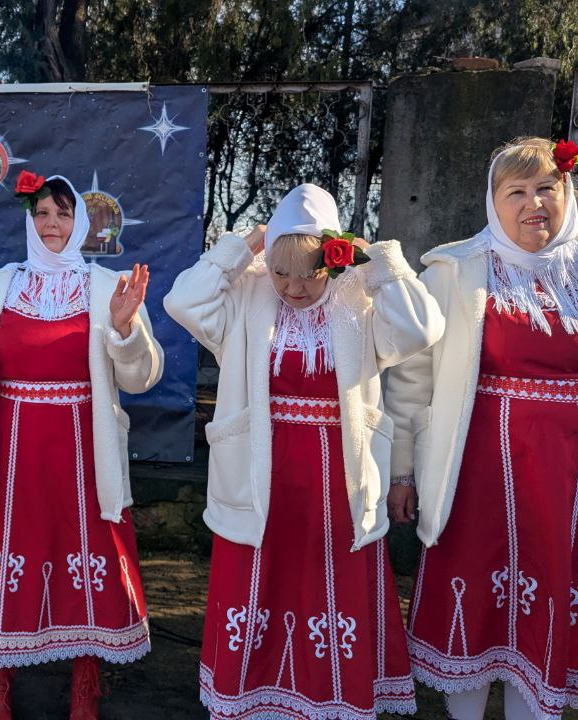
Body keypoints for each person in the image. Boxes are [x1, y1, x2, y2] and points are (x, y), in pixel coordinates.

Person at [385, 137, 578, 720]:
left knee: (550, 596)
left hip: (571, 480)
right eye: (515, 192)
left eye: (547, 188)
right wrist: (403, 470)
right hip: (475, 474)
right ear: (493, 203)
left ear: (569, 193)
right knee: (474, 597)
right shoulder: (454, 273)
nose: (533, 203)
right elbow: (413, 381)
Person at [165, 184, 441, 719]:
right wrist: (244, 245)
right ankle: (253, 701)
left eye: (309, 273)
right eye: (281, 271)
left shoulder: (360, 297)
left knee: (330, 592)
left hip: (339, 481)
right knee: (260, 587)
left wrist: (376, 259)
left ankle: (332, 699)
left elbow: (421, 327)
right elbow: (182, 302)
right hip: (259, 477)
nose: (293, 287)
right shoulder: (246, 293)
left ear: (333, 260)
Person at [0, 172, 162, 719]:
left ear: (80, 223)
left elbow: (142, 376)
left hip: (82, 450)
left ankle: (85, 682)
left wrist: (125, 330)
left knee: (89, 556)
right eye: (42, 214)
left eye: (62, 213)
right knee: (10, 553)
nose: (52, 224)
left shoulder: (107, 287)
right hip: (10, 449)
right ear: (30, 222)